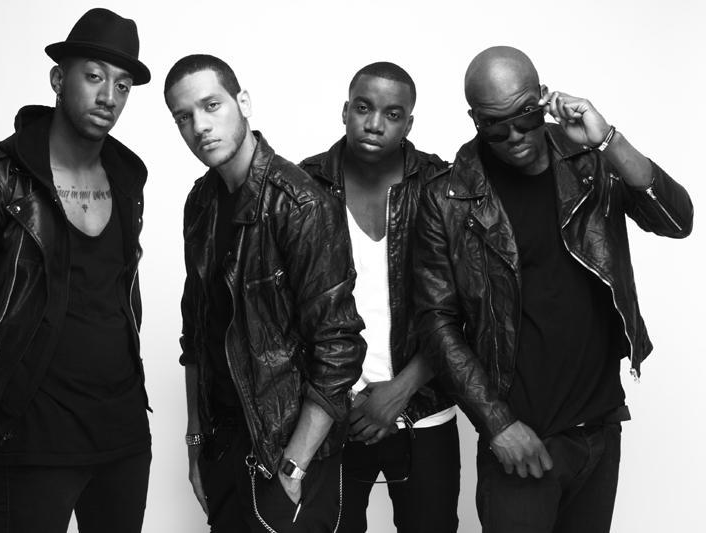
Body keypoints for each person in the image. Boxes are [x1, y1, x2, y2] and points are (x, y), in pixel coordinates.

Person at [412, 45, 693, 533]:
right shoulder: (448, 198)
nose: (515, 136)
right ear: (474, 119)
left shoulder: (591, 161)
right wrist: (497, 423)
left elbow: (676, 221)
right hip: (522, 441)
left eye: (525, 117)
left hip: (599, 428)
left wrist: (608, 140)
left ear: (543, 97)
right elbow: (437, 323)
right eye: (495, 126)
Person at [0, 9, 152, 533]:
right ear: (57, 78)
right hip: (36, 434)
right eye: (94, 76)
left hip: (123, 433)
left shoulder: (127, 178)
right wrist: (4, 381)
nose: (109, 96)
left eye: (122, 85)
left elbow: (118, 291)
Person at [163, 54, 366, 533]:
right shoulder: (201, 202)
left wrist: (293, 466)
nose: (200, 126)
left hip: (288, 452)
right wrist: (196, 443)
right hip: (224, 446)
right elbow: (197, 335)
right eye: (183, 117)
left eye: (211, 106)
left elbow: (338, 347)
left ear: (244, 102)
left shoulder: (301, 204)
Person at [300, 61, 459, 533]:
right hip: (331, 414)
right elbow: (286, 309)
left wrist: (402, 390)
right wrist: (336, 398)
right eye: (363, 108)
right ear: (344, 111)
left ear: (409, 123)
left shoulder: (442, 185)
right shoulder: (304, 186)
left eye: (392, 114)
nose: (374, 124)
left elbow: (467, 305)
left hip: (425, 411)